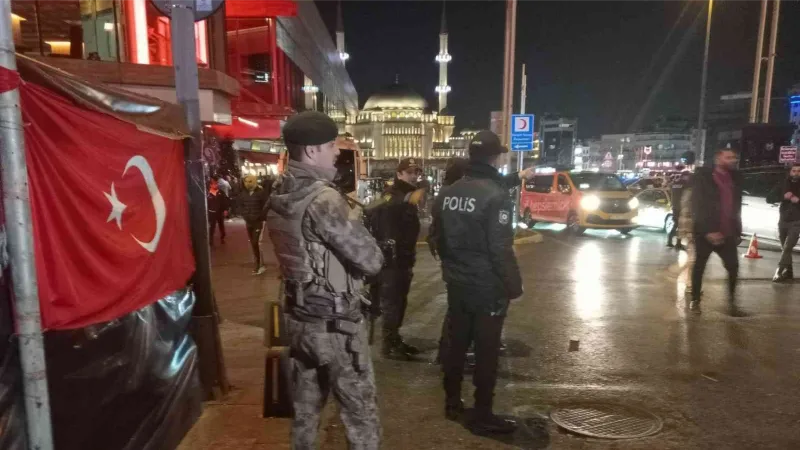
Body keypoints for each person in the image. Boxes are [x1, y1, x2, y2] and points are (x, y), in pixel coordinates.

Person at [265, 111, 383, 450]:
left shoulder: (280, 190)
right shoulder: (324, 199)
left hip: (299, 321)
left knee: (304, 412)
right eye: (332, 146)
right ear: (313, 150)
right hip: (336, 328)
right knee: (360, 414)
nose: (337, 153)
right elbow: (371, 261)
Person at [432, 130, 522, 434]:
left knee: (456, 345)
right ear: (495, 157)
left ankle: (452, 402)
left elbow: (439, 239)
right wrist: (514, 285)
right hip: (486, 286)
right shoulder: (496, 195)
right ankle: (483, 412)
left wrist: (452, 269)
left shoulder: (447, 193)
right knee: (486, 351)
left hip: (457, 282)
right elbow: (500, 248)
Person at [365, 158, 425, 360]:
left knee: (400, 301)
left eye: (416, 172)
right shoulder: (392, 195)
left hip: (404, 259)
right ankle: (388, 344)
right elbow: (379, 206)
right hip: (391, 260)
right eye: (409, 172)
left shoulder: (406, 195)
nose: (414, 175)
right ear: (399, 174)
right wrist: (406, 199)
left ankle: (394, 338)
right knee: (392, 302)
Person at [690, 149, 744, 316]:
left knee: (733, 268)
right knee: (699, 266)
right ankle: (695, 300)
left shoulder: (735, 179)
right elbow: (697, 204)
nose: (733, 160)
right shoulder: (704, 178)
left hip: (727, 233)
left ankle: (732, 304)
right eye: (729, 157)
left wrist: (737, 231)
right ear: (718, 158)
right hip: (706, 233)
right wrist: (707, 231)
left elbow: (736, 207)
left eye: (735, 157)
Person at [767, 163, 800, 282]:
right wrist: (783, 197)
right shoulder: (783, 184)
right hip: (783, 221)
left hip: (797, 221)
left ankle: (778, 272)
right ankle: (789, 272)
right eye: (794, 171)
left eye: (798, 171)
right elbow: (769, 198)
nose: (796, 173)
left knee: (787, 248)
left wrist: (798, 200)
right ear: (790, 172)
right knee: (784, 248)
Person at [237, 174, 269, 275]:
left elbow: (266, 206)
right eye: (246, 181)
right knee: (253, 243)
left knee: (256, 243)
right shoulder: (243, 194)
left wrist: (260, 217)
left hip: (258, 222)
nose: (247, 183)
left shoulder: (261, 193)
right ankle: (259, 263)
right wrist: (245, 215)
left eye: (250, 181)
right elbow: (240, 205)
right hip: (248, 222)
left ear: (254, 181)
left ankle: (259, 265)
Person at [667, 166, 689, 249]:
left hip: (675, 206)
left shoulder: (674, 183)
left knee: (677, 224)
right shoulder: (685, 184)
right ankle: (678, 243)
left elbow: (671, 191)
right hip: (681, 207)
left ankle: (670, 240)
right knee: (680, 225)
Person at [207, 177, 228, 245]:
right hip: (211, 213)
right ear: (211, 185)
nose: (216, 185)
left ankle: (222, 237)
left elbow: (225, 201)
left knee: (221, 225)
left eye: (216, 184)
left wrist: (225, 210)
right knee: (212, 226)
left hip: (219, 212)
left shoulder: (221, 192)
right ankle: (211, 239)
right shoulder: (208, 194)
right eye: (214, 184)